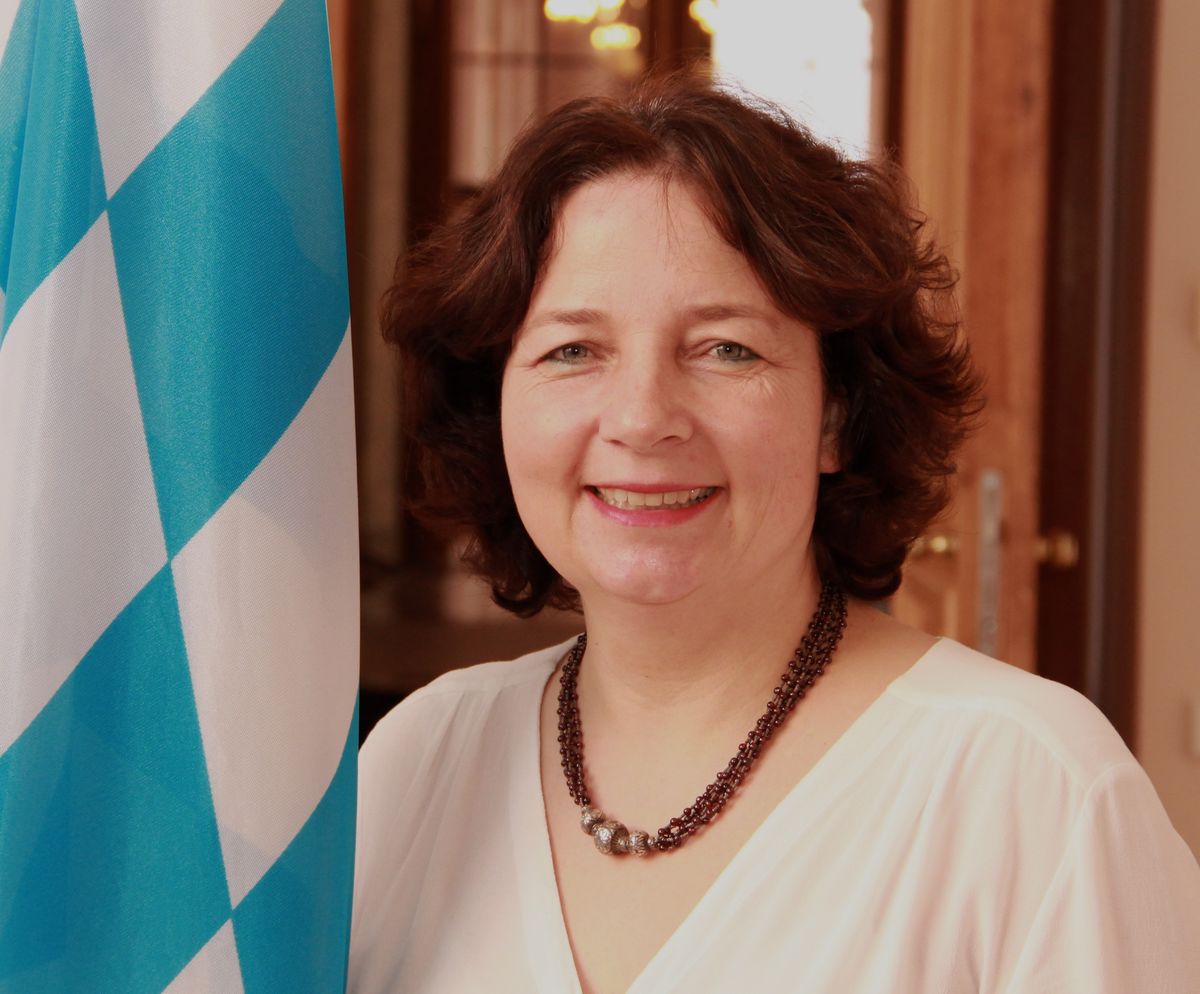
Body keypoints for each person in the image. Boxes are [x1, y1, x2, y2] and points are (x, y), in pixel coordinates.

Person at [349, 75, 1200, 993]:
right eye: (573, 350)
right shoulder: (417, 761)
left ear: (837, 415)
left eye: (727, 348)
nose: (643, 418)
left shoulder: (1032, 788)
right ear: (497, 408)